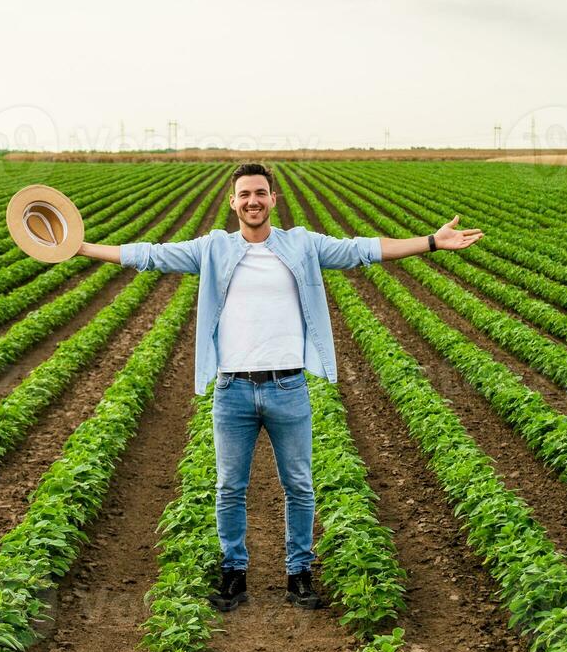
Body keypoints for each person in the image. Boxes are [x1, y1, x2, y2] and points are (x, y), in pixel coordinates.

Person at [78, 162, 482, 611]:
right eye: (244, 194)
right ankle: (233, 574)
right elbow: (150, 255)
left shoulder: (302, 245)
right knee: (230, 488)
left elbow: (362, 250)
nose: (252, 201)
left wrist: (429, 242)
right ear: (232, 203)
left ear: (274, 200)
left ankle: (299, 574)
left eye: (260, 193)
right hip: (232, 389)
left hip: (287, 387)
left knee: (300, 486)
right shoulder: (212, 249)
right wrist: (81, 247)